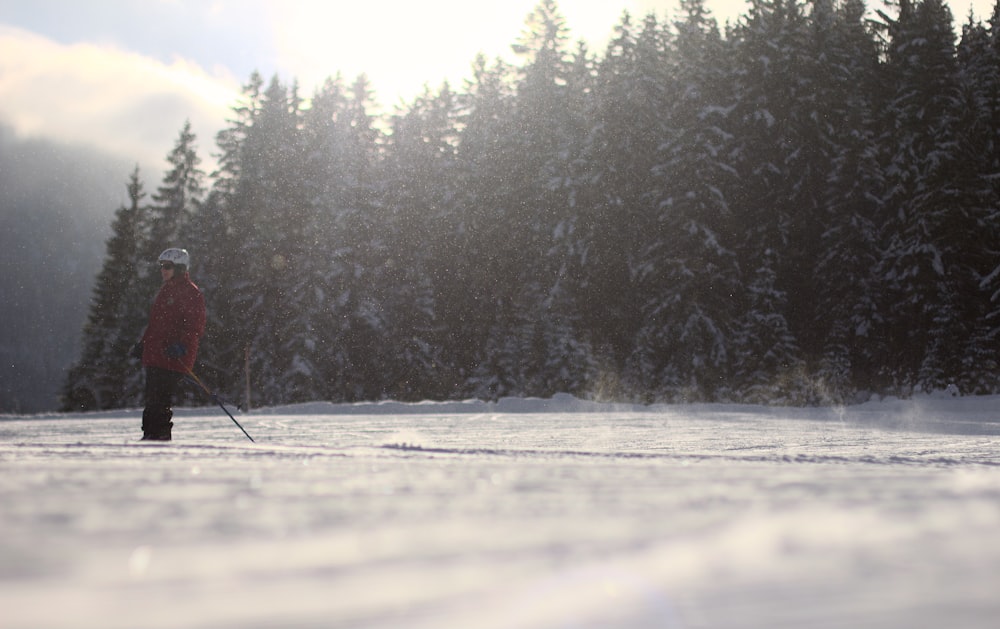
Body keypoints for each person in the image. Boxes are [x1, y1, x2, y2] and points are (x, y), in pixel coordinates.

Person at [133, 248, 206, 441]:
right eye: (162, 266)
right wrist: (143, 344)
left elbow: (194, 326)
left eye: (168, 266)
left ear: (180, 268)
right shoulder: (166, 290)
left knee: (160, 398)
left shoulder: (191, 293)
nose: (163, 270)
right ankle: (149, 435)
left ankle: (160, 436)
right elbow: (156, 324)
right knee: (152, 398)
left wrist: (182, 346)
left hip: (173, 357)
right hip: (155, 354)